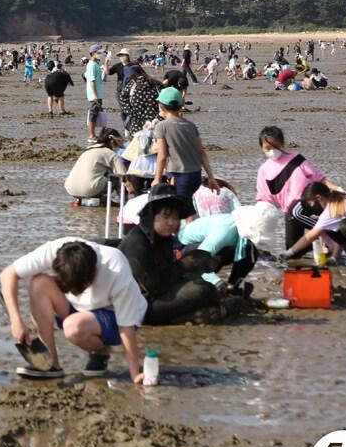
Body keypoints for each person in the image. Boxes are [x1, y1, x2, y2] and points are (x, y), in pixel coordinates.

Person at [0, 237, 146, 380]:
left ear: (93, 273)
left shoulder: (115, 267)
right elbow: (7, 275)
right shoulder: (54, 252)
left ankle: (101, 351)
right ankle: (51, 364)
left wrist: (135, 374)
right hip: (78, 310)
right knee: (38, 283)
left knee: (72, 327)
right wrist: (16, 321)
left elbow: (126, 327)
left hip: (114, 314)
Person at [118, 184, 232, 325]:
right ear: (152, 215)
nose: (171, 222)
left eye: (176, 217)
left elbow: (168, 274)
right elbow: (156, 288)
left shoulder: (163, 238)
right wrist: (183, 266)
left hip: (160, 295)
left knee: (200, 260)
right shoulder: (137, 243)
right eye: (166, 217)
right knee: (203, 290)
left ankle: (192, 315)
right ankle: (200, 313)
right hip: (140, 307)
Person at [254, 126, 342, 250]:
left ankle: (333, 244)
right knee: (293, 250)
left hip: (311, 206)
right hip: (290, 213)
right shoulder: (263, 171)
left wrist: (338, 189)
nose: (272, 150)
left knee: (328, 232)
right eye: (267, 148)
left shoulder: (297, 159)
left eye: (275, 146)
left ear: (282, 144)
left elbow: (320, 178)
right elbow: (264, 199)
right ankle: (316, 245)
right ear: (261, 148)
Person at [178, 201, 282, 290]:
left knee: (251, 252)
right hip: (186, 249)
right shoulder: (224, 231)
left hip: (208, 248)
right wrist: (216, 282)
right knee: (213, 258)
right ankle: (201, 284)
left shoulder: (239, 232)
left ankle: (232, 287)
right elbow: (197, 261)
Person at [151, 87, 218, 198]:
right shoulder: (190, 125)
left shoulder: (161, 126)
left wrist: (157, 179)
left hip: (178, 175)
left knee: (181, 210)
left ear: (161, 106)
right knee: (188, 207)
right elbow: (202, 153)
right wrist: (211, 177)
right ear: (181, 105)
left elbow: (162, 156)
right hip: (196, 175)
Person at [63, 128, 123, 203]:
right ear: (112, 141)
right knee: (115, 177)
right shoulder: (110, 153)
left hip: (70, 188)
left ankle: (79, 199)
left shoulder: (88, 150)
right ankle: (117, 200)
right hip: (89, 189)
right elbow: (123, 175)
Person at [84, 44, 105, 141]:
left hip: (98, 94)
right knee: (93, 114)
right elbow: (92, 81)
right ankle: (91, 135)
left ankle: (94, 134)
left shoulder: (95, 64)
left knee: (96, 114)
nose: (101, 54)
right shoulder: (92, 65)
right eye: (99, 52)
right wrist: (95, 96)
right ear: (92, 53)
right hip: (94, 95)